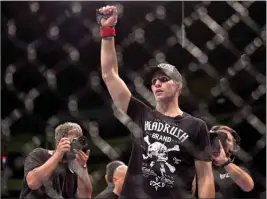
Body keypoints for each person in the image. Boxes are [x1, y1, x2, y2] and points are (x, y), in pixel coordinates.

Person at [96, 5, 215, 199]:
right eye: (153, 81)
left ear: (178, 86)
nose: (157, 84)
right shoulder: (142, 113)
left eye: (164, 79)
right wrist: (107, 32)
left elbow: (205, 177)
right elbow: (109, 75)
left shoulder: (195, 126)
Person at [19, 122, 92, 199]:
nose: (77, 145)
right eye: (73, 141)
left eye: (79, 140)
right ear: (58, 143)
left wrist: (83, 167)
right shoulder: (39, 154)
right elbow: (32, 183)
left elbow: (86, 196)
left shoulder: (74, 167)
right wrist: (58, 155)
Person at [192, 125, 254, 199]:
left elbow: (248, 186)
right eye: (218, 137)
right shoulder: (196, 166)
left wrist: (225, 162)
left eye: (227, 139)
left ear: (233, 146)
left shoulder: (238, 170)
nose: (221, 142)